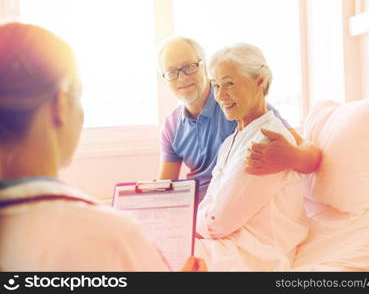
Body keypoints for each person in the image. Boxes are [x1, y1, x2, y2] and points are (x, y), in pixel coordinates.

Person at [0, 22, 205, 271]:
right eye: (80, 95)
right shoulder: (112, 236)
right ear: (61, 105)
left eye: (188, 68)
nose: (182, 77)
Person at [157, 36, 321, 202]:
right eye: (172, 72)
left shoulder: (235, 104)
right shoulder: (171, 125)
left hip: (225, 209)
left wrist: (291, 157)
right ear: (164, 79)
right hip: (194, 211)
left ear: (204, 67)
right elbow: (165, 188)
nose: (182, 78)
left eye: (189, 67)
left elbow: (311, 156)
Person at [194, 43, 309, 271]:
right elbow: (211, 206)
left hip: (255, 256)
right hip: (227, 245)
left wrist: (189, 225)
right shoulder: (231, 141)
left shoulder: (267, 141)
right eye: (215, 85)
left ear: (260, 82)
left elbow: (219, 222)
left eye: (229, 83)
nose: (220, 95)